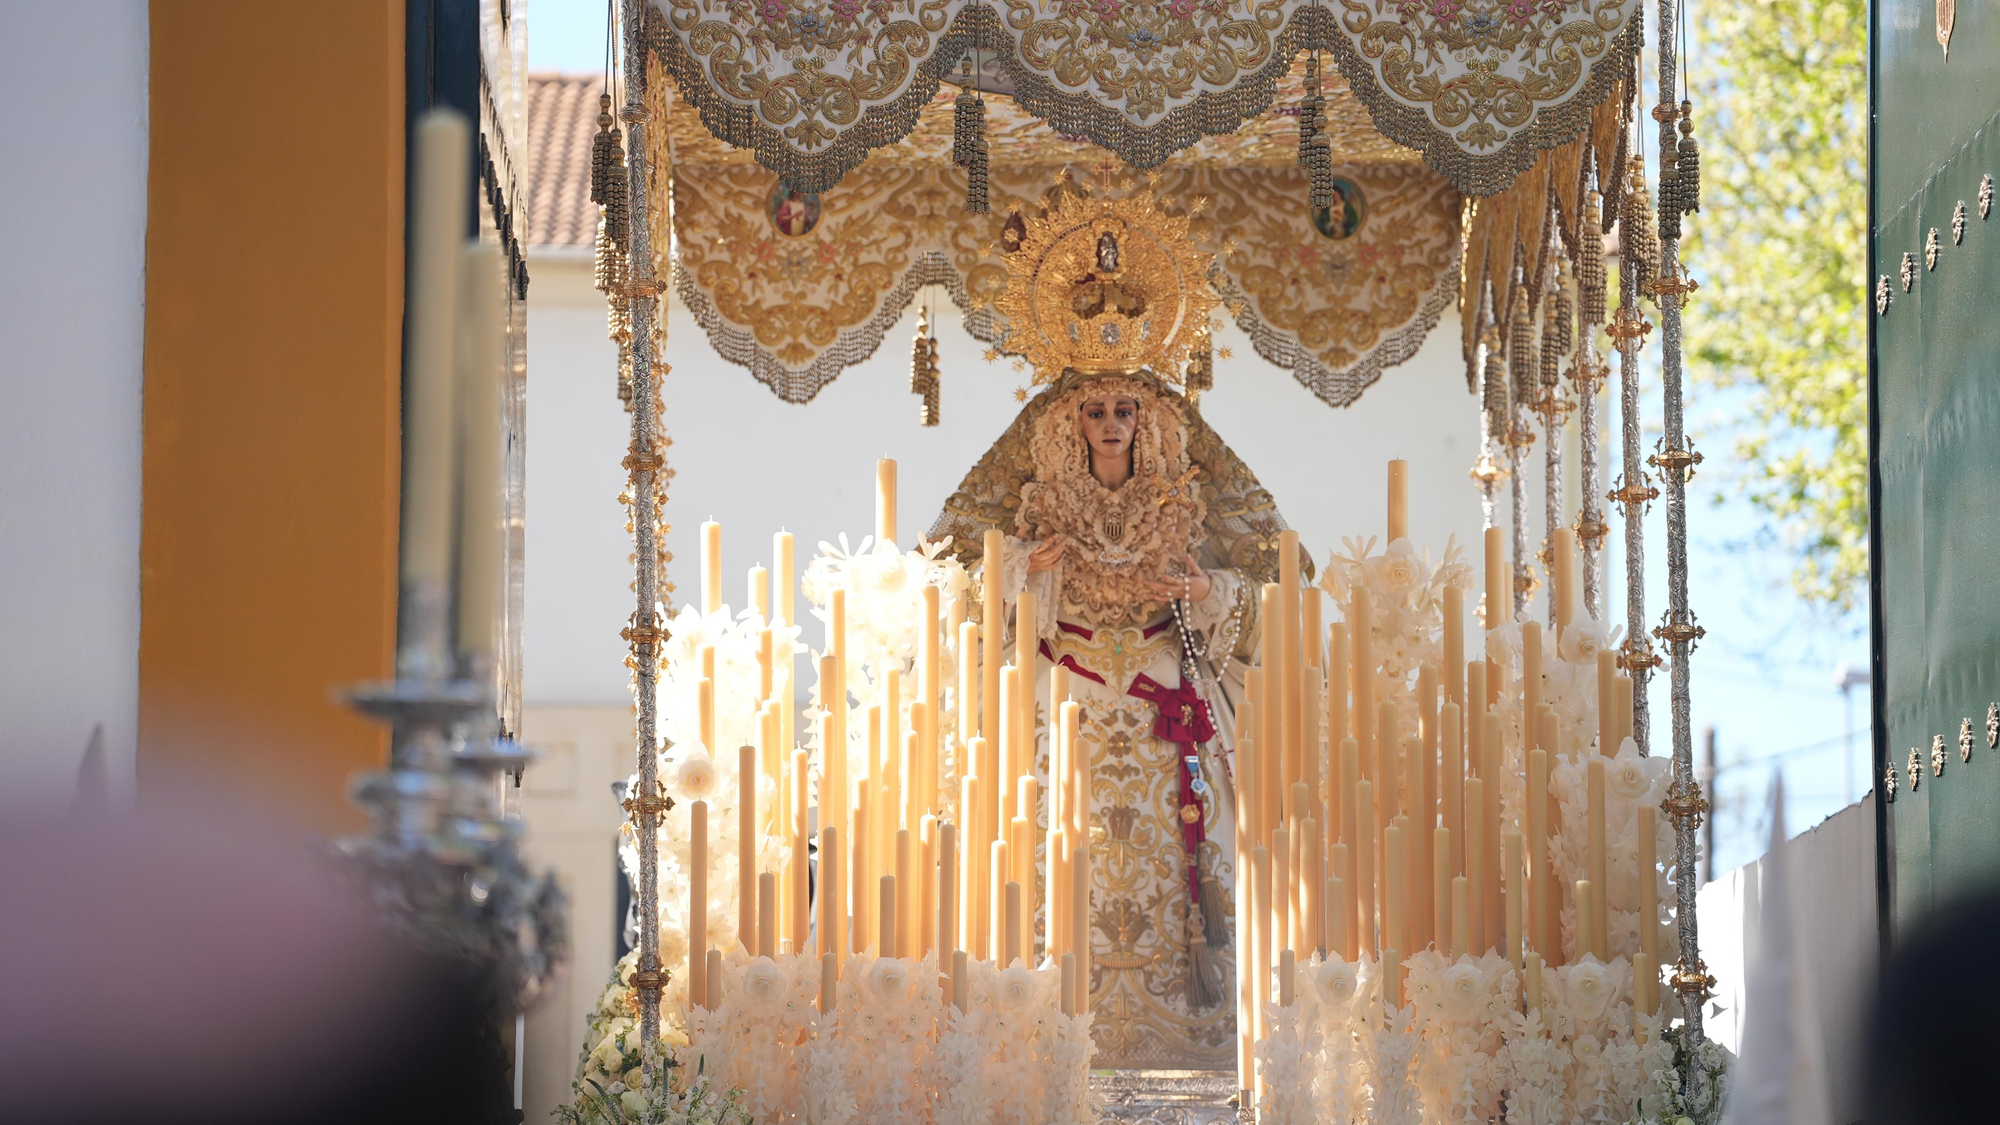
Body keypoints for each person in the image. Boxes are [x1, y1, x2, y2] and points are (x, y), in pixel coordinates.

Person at [930, 367, 1302, 1069]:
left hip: (1164, 697)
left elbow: (1278, 580)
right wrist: (1020, 568)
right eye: (1095, 410)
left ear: (1144, 421)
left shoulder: (1182, 499)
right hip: (1063, 694)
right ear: (1072, 425)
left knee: (1194, 841)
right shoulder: (1040, 502)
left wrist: (1205, 589)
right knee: (1042, 846)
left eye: (1124, 409)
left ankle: (1189, 1022)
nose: (1109, 423)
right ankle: (1048, 1022)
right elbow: (950, 582)